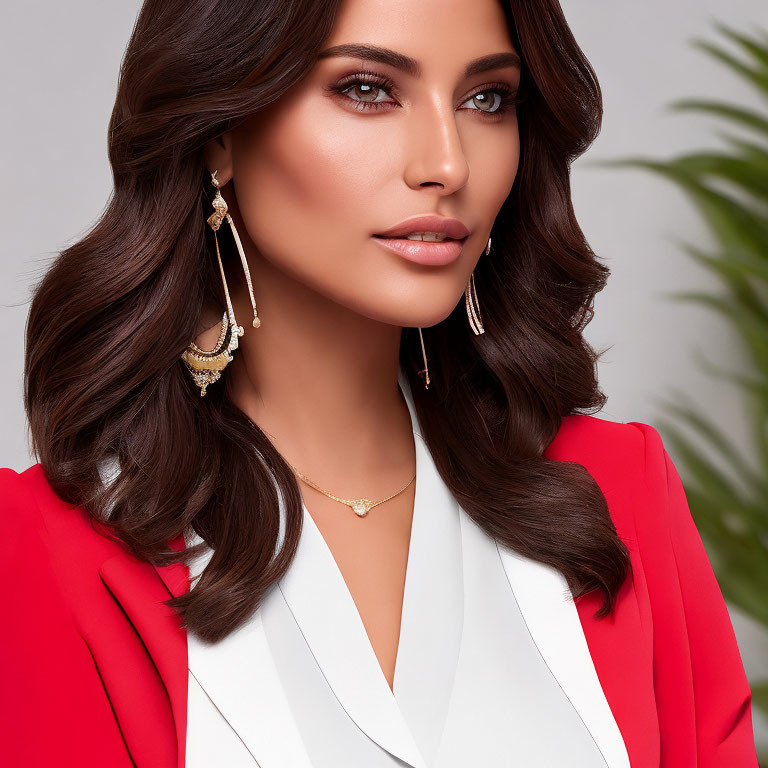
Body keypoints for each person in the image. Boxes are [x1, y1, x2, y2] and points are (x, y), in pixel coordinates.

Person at [1, 0, 759, 765]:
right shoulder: (47, 555)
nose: (448, 162)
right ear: (218, 131)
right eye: (367, 89)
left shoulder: (621, 494)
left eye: (486, 99)